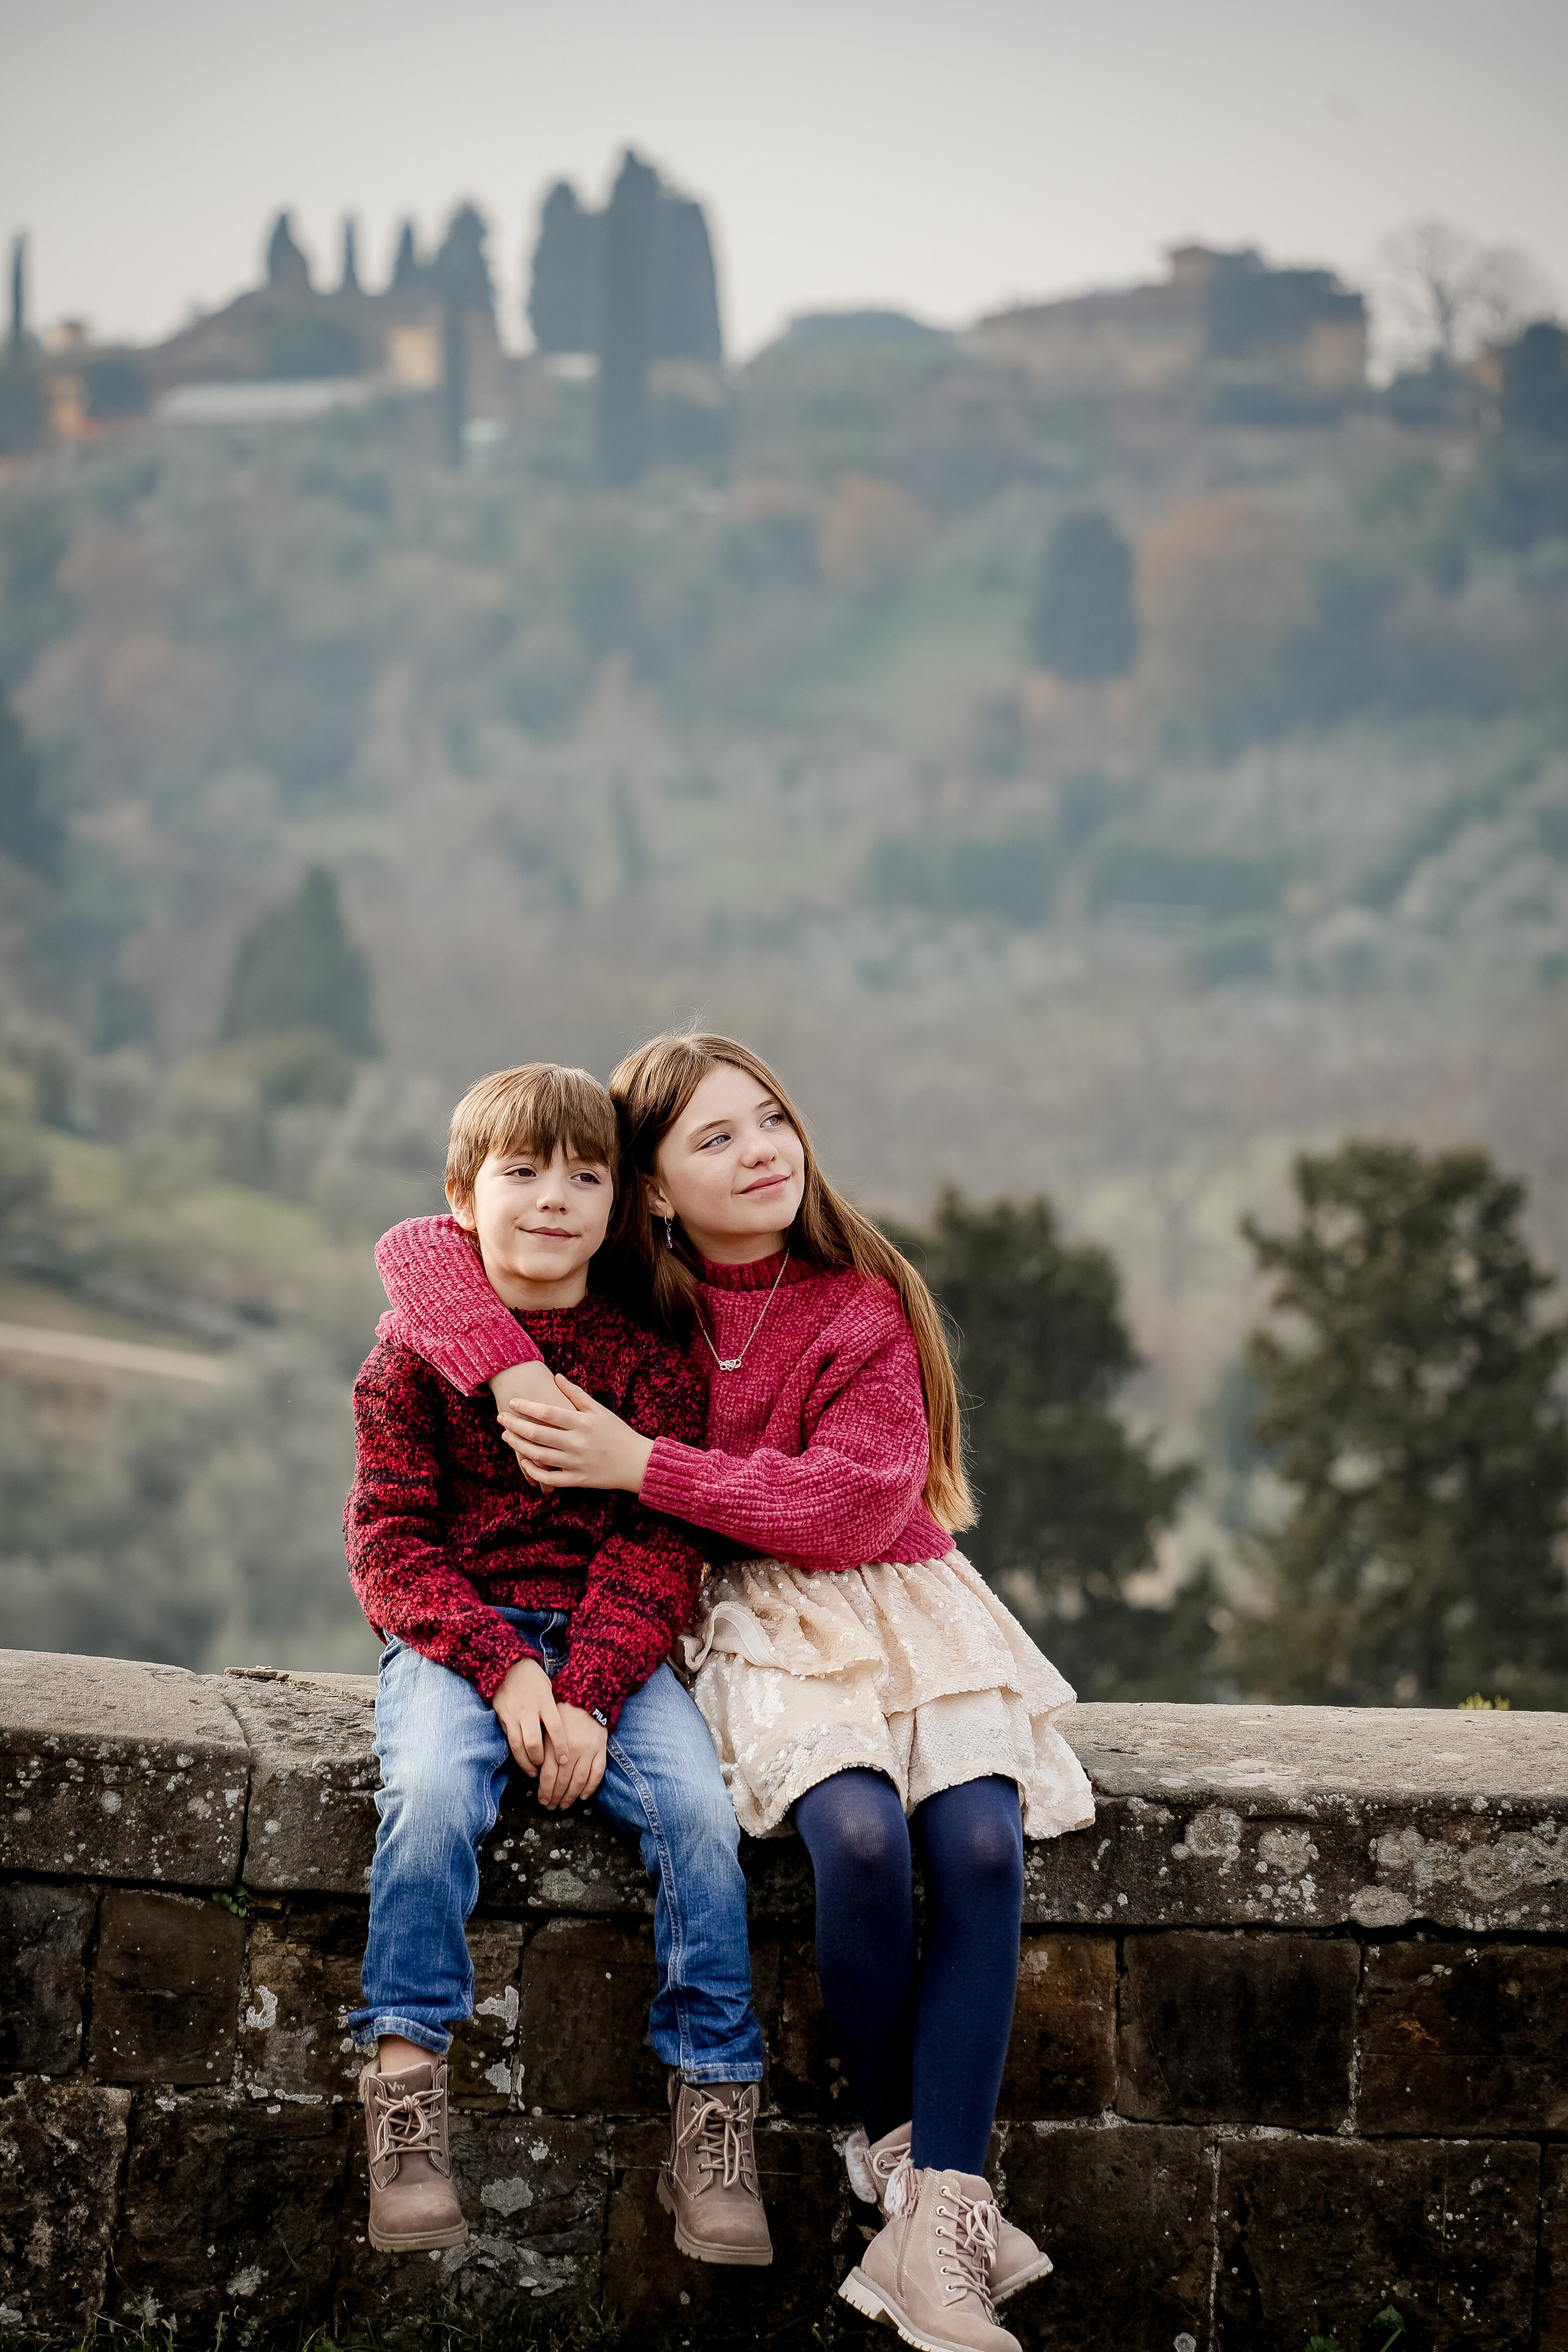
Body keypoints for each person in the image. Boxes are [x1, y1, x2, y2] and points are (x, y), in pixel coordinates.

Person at [375, 1033, 1096, 2352]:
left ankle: (936, 2204)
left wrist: (641, 1463)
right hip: (753, 1614)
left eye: (770, 1120)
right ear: (646, 1188)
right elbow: (418, 1251)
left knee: (983, 1850)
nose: (762, 1150)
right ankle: (890, 2160)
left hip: (898, 1597)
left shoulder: (854, 1300)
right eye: (714, 1138)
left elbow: (860, 1496)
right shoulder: (635, 1304)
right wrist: (523, 1381)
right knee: (859, 1837)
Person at [344, 1061, 771, 2267]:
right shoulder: (407, 1357)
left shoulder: (647, 1364)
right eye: (521, 1172)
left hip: (608, 1645)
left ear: (621, 1205)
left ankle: (713, 2114)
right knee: (427, 1796)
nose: (553, 1199)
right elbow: (388, 1541)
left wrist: (584, 1689)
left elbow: (656, 1547)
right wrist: (504, 1674)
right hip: (458, 1640)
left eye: (586, 1176)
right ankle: (407, 2090)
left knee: (698, 1813)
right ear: (460, 1197)